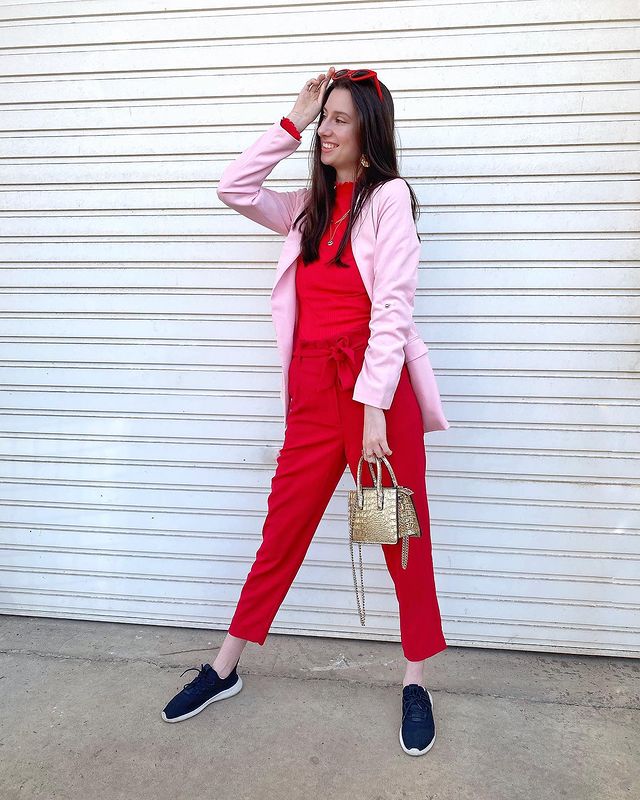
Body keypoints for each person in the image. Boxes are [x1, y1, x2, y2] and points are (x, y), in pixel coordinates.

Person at [161, 66, 447, 757]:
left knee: (394, 536)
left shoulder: (388, 201)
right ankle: (225, 666)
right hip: (314, 401)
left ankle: (415, 681)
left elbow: (393, 308)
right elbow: (233, 187)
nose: (327, 129)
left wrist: (374, 406)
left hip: (371, 402)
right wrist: (293, 116)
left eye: (339, 119)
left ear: (369, 131)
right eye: (326, 117)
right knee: (282, 531)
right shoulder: (305, 209)